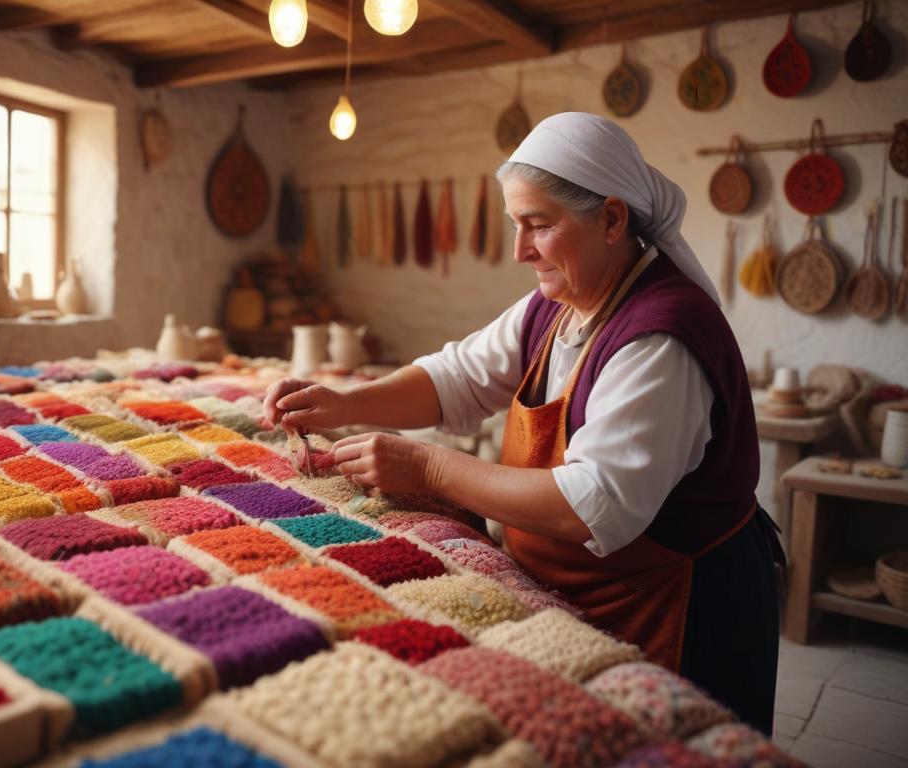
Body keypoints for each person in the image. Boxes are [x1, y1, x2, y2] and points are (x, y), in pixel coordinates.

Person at [264, 112, 782, 735]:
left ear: (613, 220)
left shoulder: (661, 338)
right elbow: (456, 376)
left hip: (680, 606)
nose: (520, 250)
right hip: (583, 593)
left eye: (539, 225)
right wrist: (347, 402)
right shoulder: (557, 303)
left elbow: (591, 505)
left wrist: (427, 464)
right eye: (517, 224)